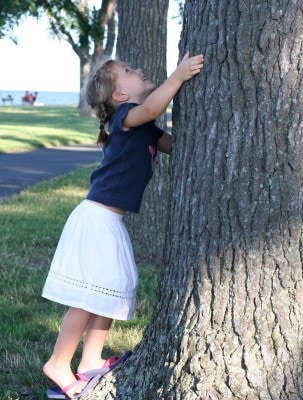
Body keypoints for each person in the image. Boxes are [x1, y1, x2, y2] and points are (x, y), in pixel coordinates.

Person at [41, 51, 204, 399]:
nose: (139, 68)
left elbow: (175, 145)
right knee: (88, 294)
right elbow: (152, 108)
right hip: (96, 217)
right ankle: (58, 362)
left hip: (109, 219)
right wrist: (176, 78)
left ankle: (89, 361)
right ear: (119, 96)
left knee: (110, 287)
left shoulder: (143, 125)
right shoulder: (126, 117)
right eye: (129, 71)